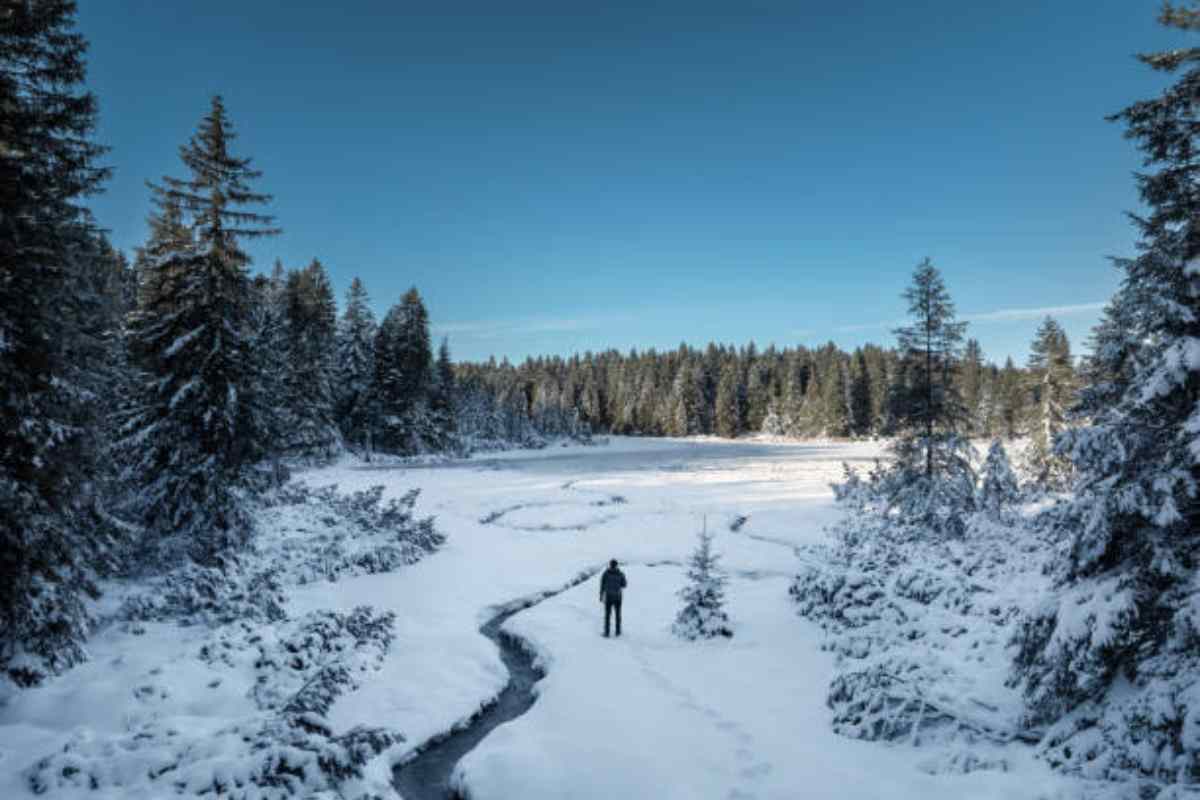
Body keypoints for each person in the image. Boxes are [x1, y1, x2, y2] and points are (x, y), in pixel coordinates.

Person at [599, 559, 627, 637]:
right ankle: (618, 632)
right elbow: (624, 585)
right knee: (618, 615)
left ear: (610, 565)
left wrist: (601, 595)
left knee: (607, 615)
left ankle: (606, 633)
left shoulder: (606, 574)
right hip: (618, 597)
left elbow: (602, 586)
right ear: (616, 565)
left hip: (608, 597)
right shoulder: (620, 574)